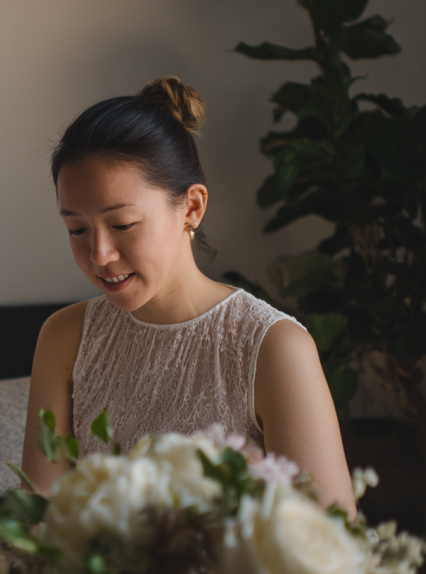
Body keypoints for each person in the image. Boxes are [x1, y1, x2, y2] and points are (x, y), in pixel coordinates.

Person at [21, 77, 355, 512]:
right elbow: (37, 522)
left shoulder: (273, 348)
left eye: (122, 225)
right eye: (77, 230)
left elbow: (330, 544)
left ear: (192, 207)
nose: (99, 254)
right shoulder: (65, 337)